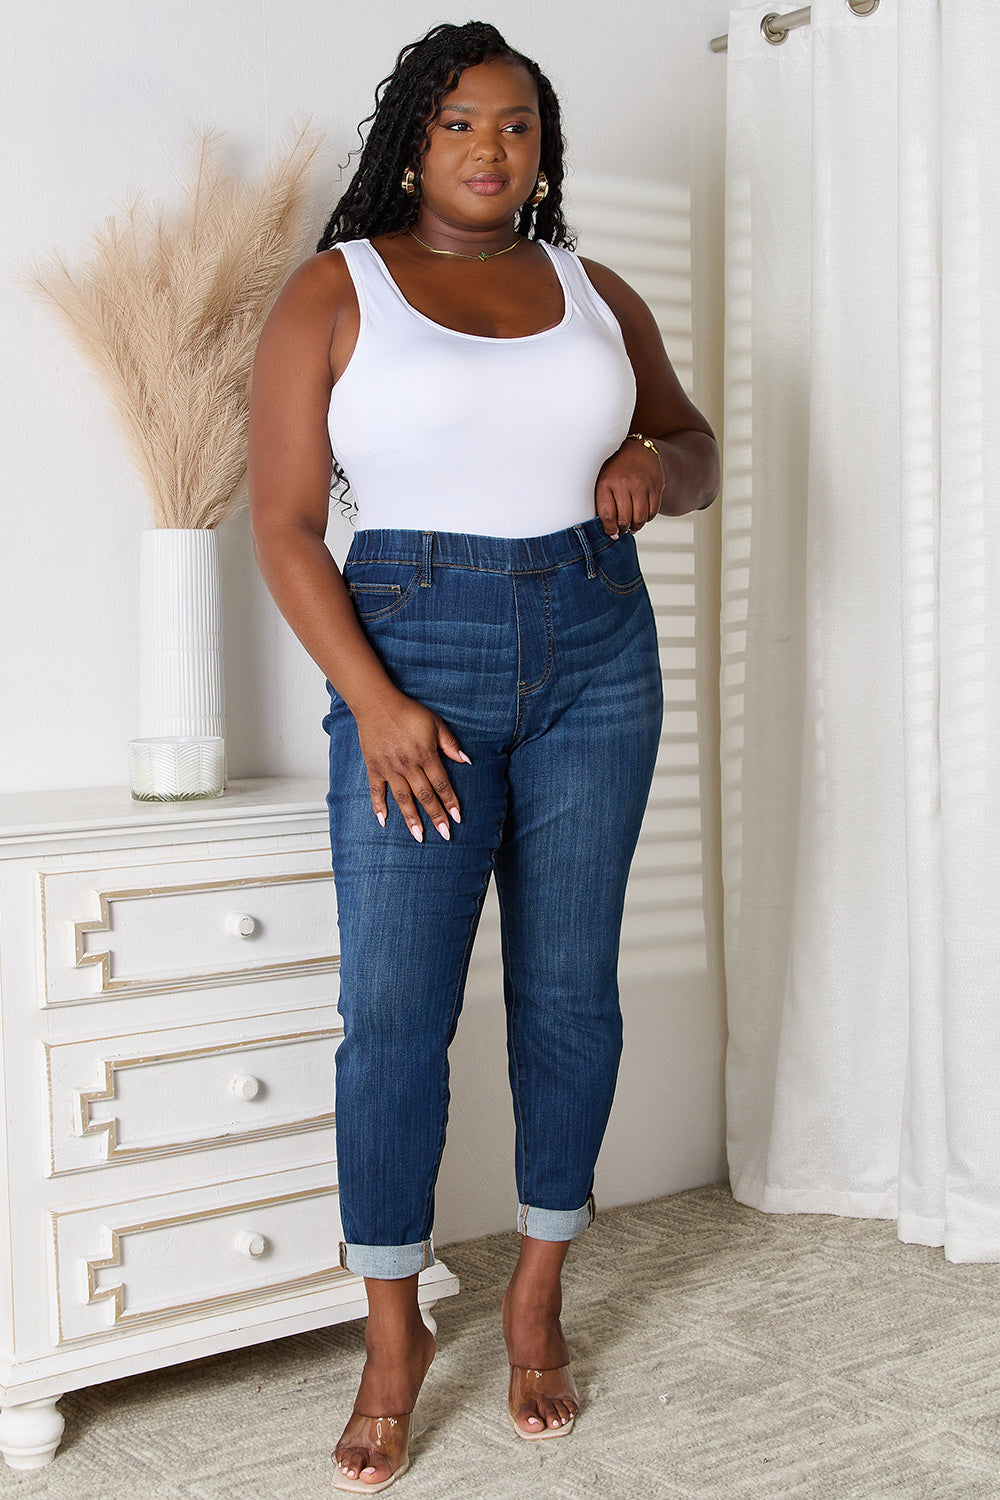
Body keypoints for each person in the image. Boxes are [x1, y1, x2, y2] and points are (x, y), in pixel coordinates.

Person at [248, 19, 719, 1492]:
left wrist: (659, 466)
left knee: (571, 996)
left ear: (541, 146)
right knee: (395, 1014)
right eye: (457, 124)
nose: (488, 150)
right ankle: (394, 1335)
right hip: (413, 661)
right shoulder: (336, 291)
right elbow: (279, 523)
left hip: (596, 650)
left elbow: (694, 444)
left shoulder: (593, 286)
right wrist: (376, 705)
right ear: (411, 139)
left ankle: (535, 1300)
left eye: (515, 126)